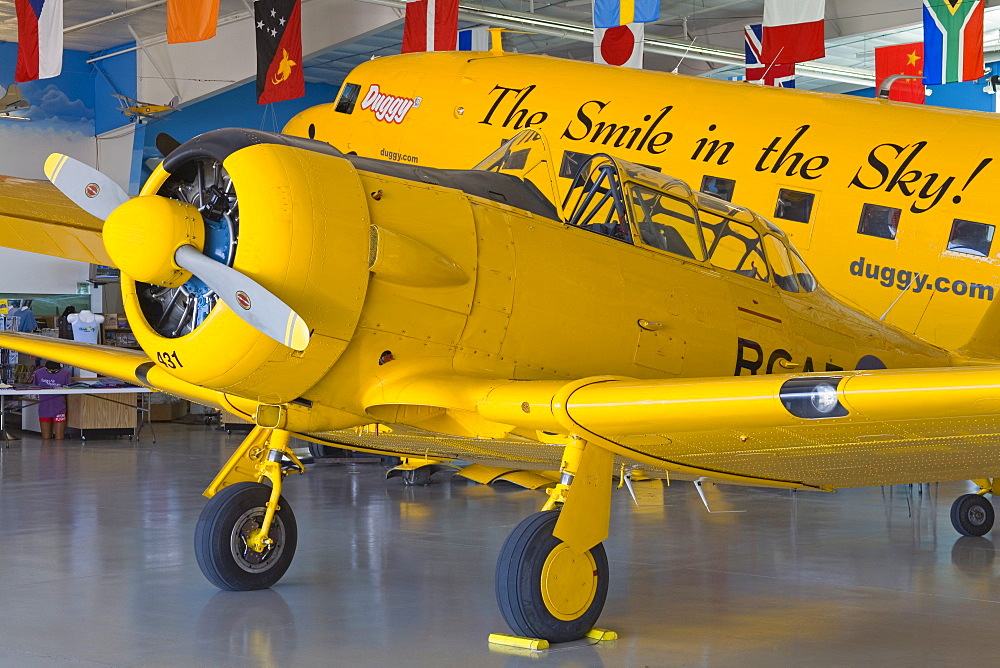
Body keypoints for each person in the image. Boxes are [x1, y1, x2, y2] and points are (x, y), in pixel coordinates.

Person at [33, 361, 71, 440]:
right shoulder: (38, 373)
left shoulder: (66, 373)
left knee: (60, 438)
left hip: (60, 408)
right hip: (44, 408)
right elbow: (34, 387)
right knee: (46, 438)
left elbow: (69, 390)